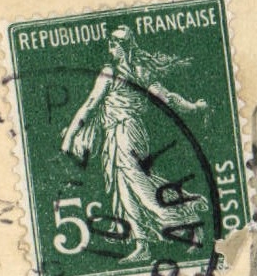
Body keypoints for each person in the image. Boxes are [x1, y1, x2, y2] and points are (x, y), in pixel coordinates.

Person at [60, 26, 209, 262]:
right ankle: (143, 244)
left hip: (126, 133)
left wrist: (69, 137)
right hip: (117, 134)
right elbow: (168, 98)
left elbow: (90, 105)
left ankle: (185, 222)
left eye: (114, 44)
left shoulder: (113, 73)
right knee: (125, 188)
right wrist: (194, 107)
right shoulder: (139, 72)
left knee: (140, 186)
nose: (110, 48)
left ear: (123, 47)